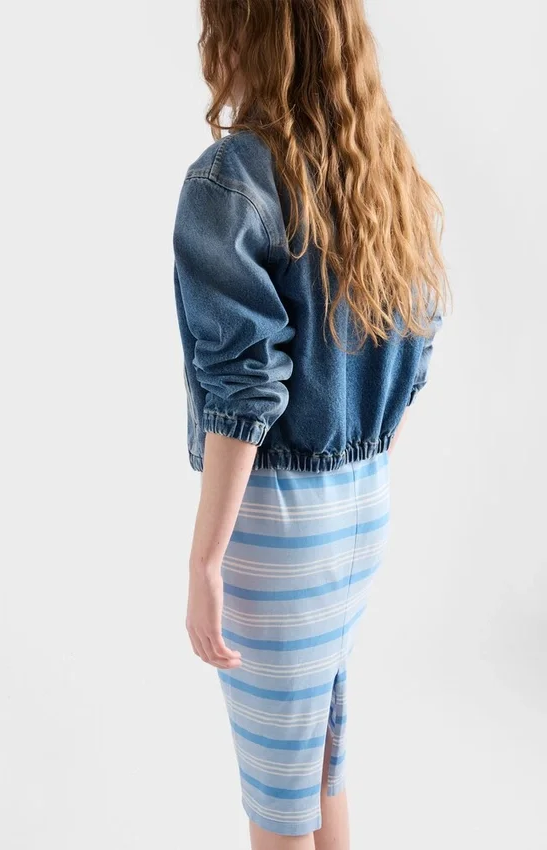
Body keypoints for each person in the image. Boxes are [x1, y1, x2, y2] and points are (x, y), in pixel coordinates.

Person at [172, 2, 450, 847]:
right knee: (321, 760)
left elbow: (243, 389)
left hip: (277, 529)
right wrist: (359, 456)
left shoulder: (231, 180)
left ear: (244, 32)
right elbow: (418, 338)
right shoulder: (379, 163)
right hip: (363, 510)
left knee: (277, 803)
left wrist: (206, 561)